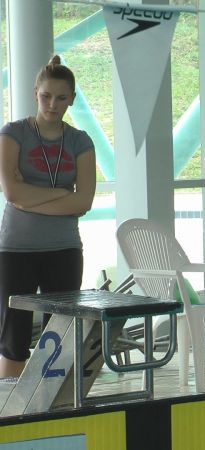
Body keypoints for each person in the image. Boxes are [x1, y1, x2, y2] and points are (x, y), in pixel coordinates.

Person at [0, 55, 96, 379]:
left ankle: (53, 405)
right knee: (13, 339)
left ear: (72, 99)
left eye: (61, 98)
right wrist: (63, 194)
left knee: (60, 337)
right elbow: (12, 193)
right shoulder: (13, 133)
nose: (53, 104)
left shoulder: (80, 141)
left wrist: (30, 198)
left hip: (63, 249)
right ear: (35, 94)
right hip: (16, 250)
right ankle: (10, 407)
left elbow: (84, 200)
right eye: (46, 96)